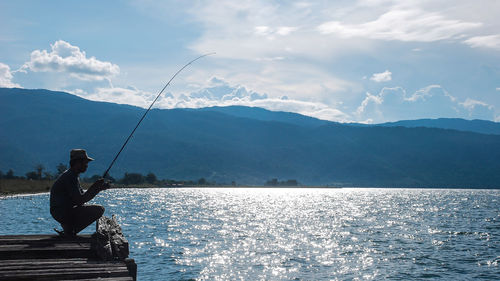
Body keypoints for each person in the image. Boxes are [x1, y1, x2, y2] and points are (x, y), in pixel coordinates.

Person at [50, 149, 109, 237]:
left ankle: (69, 231)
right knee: (99, 210)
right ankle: (69, 232)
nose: (86, 166)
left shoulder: (73, 175)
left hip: (62, 211)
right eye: (84, 163)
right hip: (61, 212)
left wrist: (98, 188)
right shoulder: (70, 177)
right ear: (77, 163)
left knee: (96, 209)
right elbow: (80, 200)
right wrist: (95, 188)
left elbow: (82, 198)